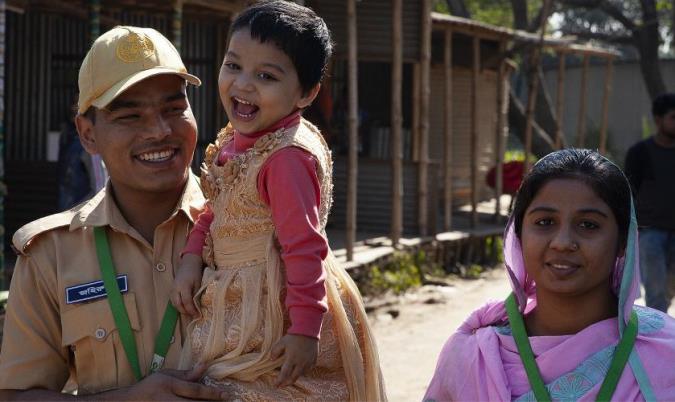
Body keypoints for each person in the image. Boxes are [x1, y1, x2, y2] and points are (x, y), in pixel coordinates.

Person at [170, 2, 386, 400]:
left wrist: (304, 330)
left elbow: (304, 246)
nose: (243, 85)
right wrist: (190, 258)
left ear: (306, 93)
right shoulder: (237, 141)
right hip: (235, 301)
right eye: (233, 66)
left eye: (266, 75)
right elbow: (215, 207)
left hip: (277, 309)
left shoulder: (286, 158)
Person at [0, 26, 226, 400]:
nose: (158, 130)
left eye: (174, 108)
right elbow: (17, 395)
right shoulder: (51, 255)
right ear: (87, 134)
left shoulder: (247, 226)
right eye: (129, 116)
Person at [424, 149, 675, 401]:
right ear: (519, 235)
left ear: (623, 241)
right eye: (545, 222)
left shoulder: (665, 353)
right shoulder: (472, 356)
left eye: (588, 225)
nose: (563, 243)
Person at [624, 93, 675, 313]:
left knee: (668, 289)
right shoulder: (639, 153)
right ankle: (658, 340)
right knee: (656, 294)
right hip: (650, 233)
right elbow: (627, 193)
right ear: (658, 119)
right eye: (674, 117)